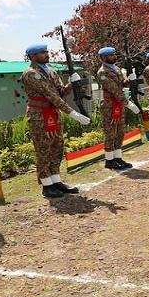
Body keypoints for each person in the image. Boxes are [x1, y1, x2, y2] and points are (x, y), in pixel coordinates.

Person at [20, 44, 90, 198]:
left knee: (57, 147)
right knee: (43, 149)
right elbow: (50, 95)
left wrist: (71, 85)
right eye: (42, 53)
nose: (46, 54)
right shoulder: (30, 74)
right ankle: (47, 185)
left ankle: (56, 180)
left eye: (46, 52)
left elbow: (60, 94)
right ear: (32, 56)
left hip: (54, 112)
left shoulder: (51, 72)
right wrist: (72, 113)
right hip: (39, 115)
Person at [95, 47, 138, 170]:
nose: (114, 57)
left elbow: (122, 84)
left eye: (114, 54)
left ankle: (118, 157)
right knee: (110, 133)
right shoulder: (102, 72)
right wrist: (128, 103)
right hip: (109, 104)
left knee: (120, 131)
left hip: (118, 103)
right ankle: (109, 160)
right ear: (103, 57)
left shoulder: (117, 69)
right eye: (111, 55)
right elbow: (113, 89)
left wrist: (130, 80)